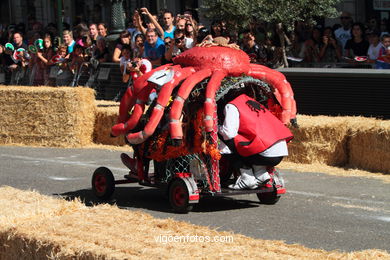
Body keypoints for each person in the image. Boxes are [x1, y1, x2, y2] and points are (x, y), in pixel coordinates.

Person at [218, 89, 293, 190]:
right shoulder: (253, 102)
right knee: (245, 141)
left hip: (265, 153)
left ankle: (246, 178)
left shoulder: (232, 105)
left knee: (225, 140)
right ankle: (261, 174)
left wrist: (217, 128)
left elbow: (228, 133)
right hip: (279, 152)